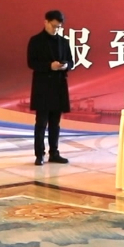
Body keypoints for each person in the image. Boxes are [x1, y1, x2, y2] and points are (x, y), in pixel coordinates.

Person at [26, 10, 75, 166]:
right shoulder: (35, 40)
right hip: (42, 86)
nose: (56, 29)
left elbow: (71, 61)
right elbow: (31, 63)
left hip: (59, 86)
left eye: (59, 27)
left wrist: (66, 66)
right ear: (45, 22)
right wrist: (49, 66)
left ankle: (54, 153)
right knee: (41, 123)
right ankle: (39, 154)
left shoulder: (63, 42)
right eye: (53, 26)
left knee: (55, 123)